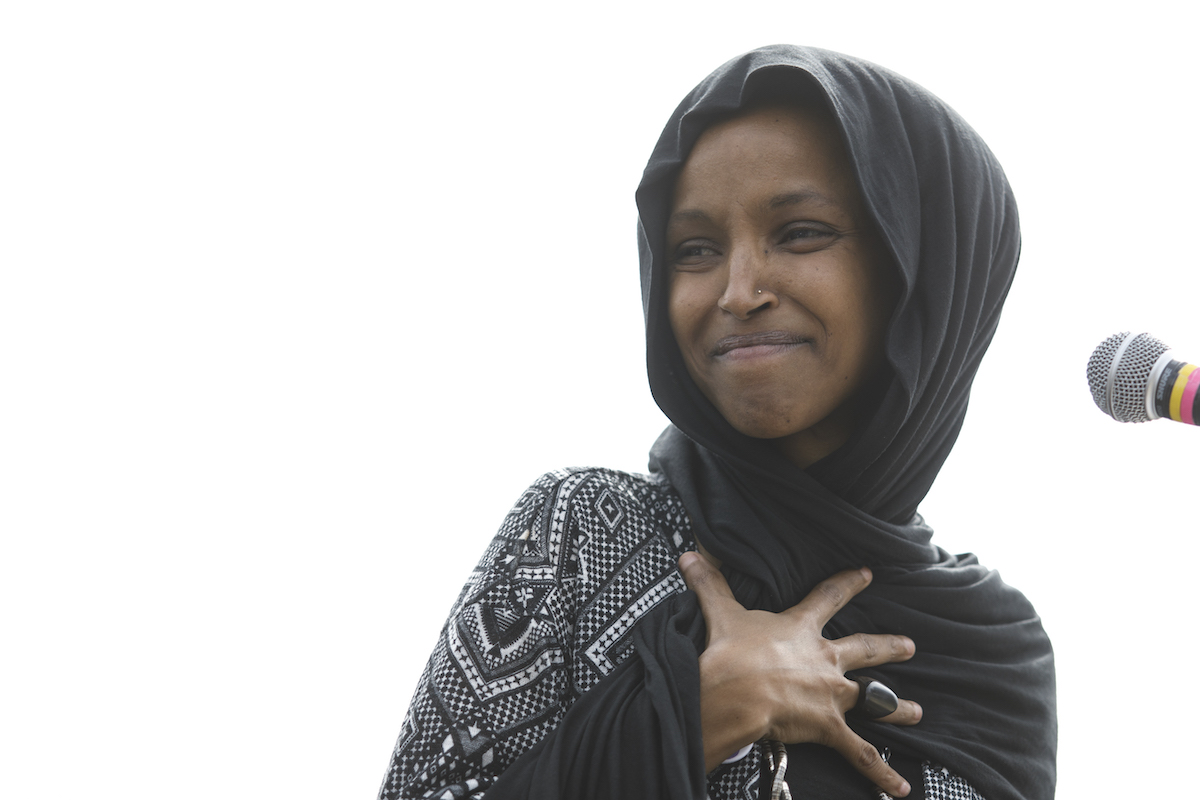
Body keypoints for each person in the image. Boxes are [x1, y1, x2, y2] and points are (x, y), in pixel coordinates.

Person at [378, 45, 1056, 800]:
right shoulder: (584, 534)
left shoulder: (994, 661)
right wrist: (698, 717)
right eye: (694, 250)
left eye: (800, 232)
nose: (738, 291)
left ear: (919, 274)